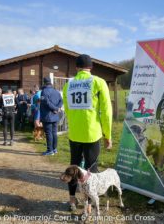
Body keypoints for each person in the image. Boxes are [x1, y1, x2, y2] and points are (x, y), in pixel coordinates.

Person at [62, 54, 112, 212]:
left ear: (76, 68)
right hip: (92, 133)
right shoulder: (98, 82)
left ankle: (71, 200)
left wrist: (74, 125)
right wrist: (108, 135)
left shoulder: (68, 85)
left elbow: (68, 111)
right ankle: (89, 204)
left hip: (75, 133)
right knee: (92, 169)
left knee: (73, 168)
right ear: (91, 67)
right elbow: (106, 111)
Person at [40, 78, 63, 155]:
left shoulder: (44, 91)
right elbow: (61, 101)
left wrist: (55, 108)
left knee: (49, 133)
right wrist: (57, 108)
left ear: (44, 83)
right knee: (54, 133)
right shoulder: (56, 91)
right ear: (51, 83)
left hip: (47, 115)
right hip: (55, 115)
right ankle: (54, 149)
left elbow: (46, 103)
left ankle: (50, 150)